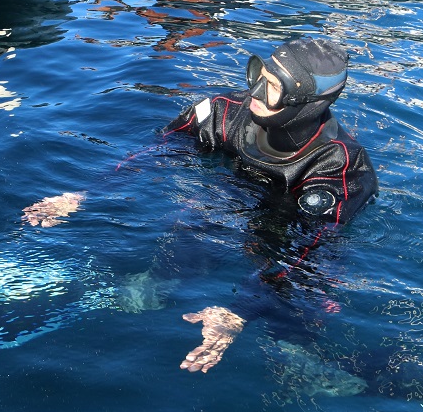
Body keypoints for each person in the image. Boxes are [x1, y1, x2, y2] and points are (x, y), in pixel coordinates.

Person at [23, 36, 378, 374]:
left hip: (287, 233)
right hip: (223, 207)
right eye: (258, 75)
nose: (254, 91)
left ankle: (309, 361)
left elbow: (312, 249)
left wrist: (239, 311)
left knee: (293, 314)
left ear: (307, 104)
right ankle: (133, 297)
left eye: (271, 87)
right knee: (172, 260)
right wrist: (85, 195)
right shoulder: (221, 113)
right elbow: (155, 152)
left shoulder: (340, 167)